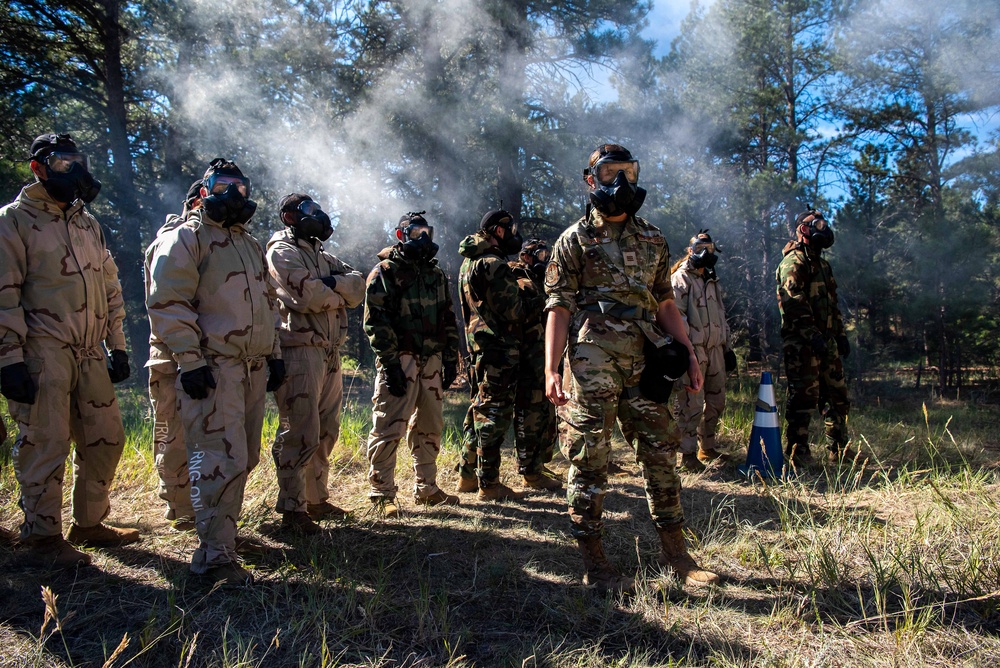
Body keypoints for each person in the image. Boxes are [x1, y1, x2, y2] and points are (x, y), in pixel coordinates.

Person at [544, 143, 719, 592]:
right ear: (591, 179)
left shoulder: (653, 238)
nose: (621, 182)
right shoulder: (573, 240)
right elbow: (559, 307)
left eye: (629, 172)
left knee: (661, 451)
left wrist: (690, 355)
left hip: (647, 357)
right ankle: (596, 565)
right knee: (589, 458)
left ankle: (678, 557)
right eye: (609, 173)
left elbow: (665, 302)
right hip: (592, 357)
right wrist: (550, 369)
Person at [0, 133, 138, 568]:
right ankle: (42, 538)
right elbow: (3, 295)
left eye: (78, 161)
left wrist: (117, 346)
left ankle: (90, 524)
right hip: (42, 349)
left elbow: (109, 285)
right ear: (38, 167)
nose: (74, 170)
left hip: (89, 349)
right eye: (63, 162)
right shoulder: (14, 220)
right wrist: (8, 360)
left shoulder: (87, 223)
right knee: (46, 443)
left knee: (107, 438)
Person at [146, 158, 284, 586]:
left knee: (245, 456)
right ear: (204, 190)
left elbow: (268, 301)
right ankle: (214, 559)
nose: (235, 195)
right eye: (225, 186)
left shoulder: (248, 242)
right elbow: (168, 302)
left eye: (241, 188)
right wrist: (189, 361)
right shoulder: (187, 237)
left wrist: (274, 351)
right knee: (221, 461)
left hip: (251, 367)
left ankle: (224, 535)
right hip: (214, 366)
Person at [266, 193, 365, 534]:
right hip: (299, 350)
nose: (319, 216)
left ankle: (316, 498)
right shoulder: (281, 251)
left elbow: (358, 285)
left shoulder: (322, 254)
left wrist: (328, 287)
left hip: (329, 351)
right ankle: (292, 510)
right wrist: (332, 293)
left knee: (326, 429)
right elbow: (304, 297)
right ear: (289, 216)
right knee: (300, 429)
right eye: (310, 211)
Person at [363, 211, 461, 516]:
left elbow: (448, 317)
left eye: (427, 232)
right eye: (416, 232)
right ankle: (381, 494)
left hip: (431, 359)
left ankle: (427, 488)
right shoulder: (385, 272)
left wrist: (450, 358)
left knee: (430, 424)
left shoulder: (435, 274)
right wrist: (390, 362)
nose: (423, 238)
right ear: (400, 235)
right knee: (389, 425)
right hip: (400, 358)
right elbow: (375, 322)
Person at [455, 211, 558, 499]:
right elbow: (514, 311)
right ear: (497, 231)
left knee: (479, 410)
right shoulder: (492, 263)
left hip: (482, 347)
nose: (513, 234)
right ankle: (489, 484)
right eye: (509, 228)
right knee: (493, 416)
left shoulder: (470, 262)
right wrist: (543, 299)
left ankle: (467, 475)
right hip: (498, 349)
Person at [145, 180, 202, 532]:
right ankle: (180, 509)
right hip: (170, 356)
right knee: (173, 435)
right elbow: (166, 302)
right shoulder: (172, 237)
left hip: (198, 354)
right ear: (196, 200)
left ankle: (198, 505)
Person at [776, 207, 851, 467]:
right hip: (802, 344)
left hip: (826, 341)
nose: (823, 228)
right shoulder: (794, 262)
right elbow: (793, 302)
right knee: (804, 398)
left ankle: (839, 449)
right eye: (816, 224)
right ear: (803, 230)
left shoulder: (822, 264)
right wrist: (812, 335)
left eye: (824, 224)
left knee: (837, 396)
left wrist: (840, 335)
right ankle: (798, 452)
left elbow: (833, 303)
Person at [670, 230, 738, 471]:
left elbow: (721, 315)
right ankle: (686, 454)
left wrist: (727, 347)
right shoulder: (681, 278)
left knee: (717, 401)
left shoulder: (712, 280)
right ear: (690, 250)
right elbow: (676, 317)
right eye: (700, 248)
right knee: (691, 403)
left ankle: (706, 447)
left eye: (710, 249)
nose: (705, 253)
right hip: (694, 350)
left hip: (716, 350)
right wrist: (687, 352)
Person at [510, 238, 561, 486]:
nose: (546, 260)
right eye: (541, 255)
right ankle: (529, 470)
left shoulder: (545, 281)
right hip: (527, 357)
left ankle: (539, 464)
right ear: (527, 256)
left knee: (547, 414)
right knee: (529, 413)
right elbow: (518, 312)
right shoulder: (516, 277)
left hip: (545, 357)